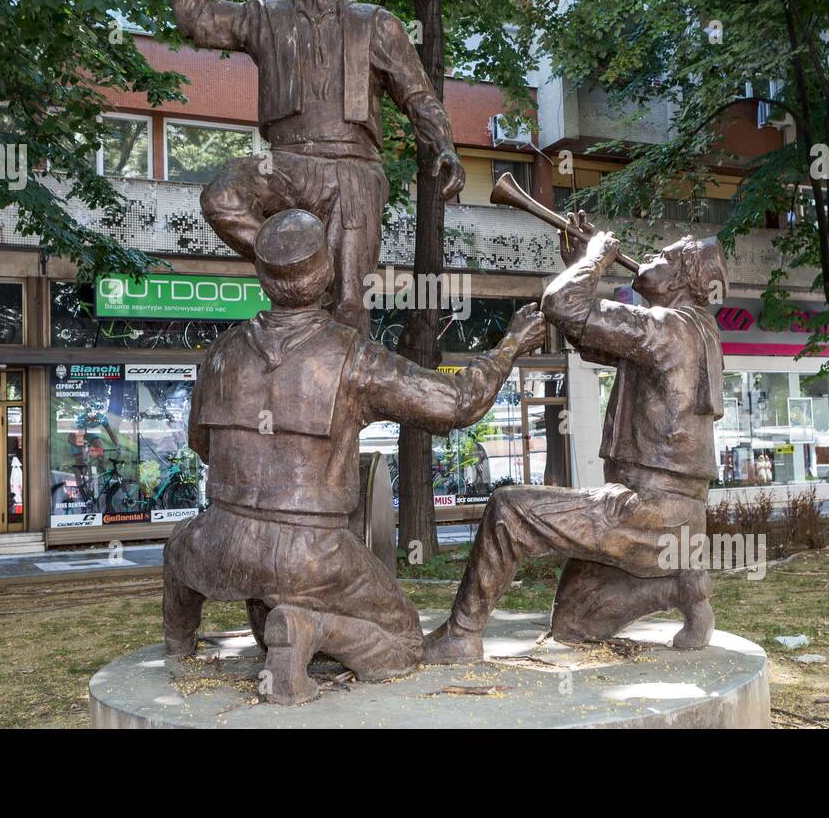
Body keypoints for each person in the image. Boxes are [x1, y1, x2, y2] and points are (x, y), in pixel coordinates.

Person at [163, 209, 545, 705]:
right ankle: (309, 629)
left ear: (261, 276)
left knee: (178, 548)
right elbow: (457, 404)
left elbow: (201, 445)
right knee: (405, 643)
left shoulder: (219, 352)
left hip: (215, 541)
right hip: (310, 554)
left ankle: (178, 646)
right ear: (326, 275)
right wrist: (510, 345)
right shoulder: (352, 357)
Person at [151, 0, 465, 332]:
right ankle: (298, 266)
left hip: (352, 167)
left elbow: (418, 96)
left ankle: (342, 386)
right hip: (286, 162)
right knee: (222, 196)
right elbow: (198, 19)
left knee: (349, 305)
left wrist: (444, 146)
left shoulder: (377, 23)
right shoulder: (266, 16)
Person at [423, 217, 728, 663]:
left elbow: (562, 303)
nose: (647, 259)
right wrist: (577, 264)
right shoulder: (692, 331)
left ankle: (461, 636)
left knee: (508, 510)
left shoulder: (666, 327)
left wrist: (595, 259)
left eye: (662, 257)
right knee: (575, 621)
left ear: (682, 279)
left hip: (649, 509)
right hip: (676, 518)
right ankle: (680, 586)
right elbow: (588, 336)